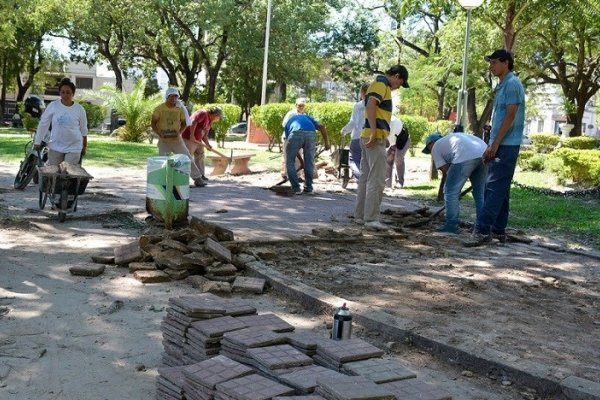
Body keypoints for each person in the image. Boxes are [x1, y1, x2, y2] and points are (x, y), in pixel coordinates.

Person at [464, 49, 525, 247]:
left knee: (493, 187)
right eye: (490, 63)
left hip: (506, 144)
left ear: (505, 62)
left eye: (494, 63)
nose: (491, 66)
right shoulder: (503, 85)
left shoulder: (512, 84)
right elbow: (501, 117)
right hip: (501, 142)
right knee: (501, 188)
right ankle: (498, 230)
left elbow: (510, 115)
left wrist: (496, 143)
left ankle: (482, 230)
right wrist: (492, 141)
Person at [354, 65, 409, 230]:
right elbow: (371, 105)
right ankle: (371, 219)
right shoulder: (381, 85)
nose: (398, 87)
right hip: (373, 136)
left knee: (365, 177)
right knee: (377, 179)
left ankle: (361, 216)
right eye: (400, 83)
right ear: (397, 76)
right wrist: (374, 132)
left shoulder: (378, 84)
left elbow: (375, 110)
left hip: (371, 135)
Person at [423, 132, 487, 234]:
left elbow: (447, 171)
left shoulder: (436, 147)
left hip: (464, 155)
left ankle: (451, 225)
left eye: (429, 148)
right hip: (484, 153)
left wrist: (455, 192)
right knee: (480, 193)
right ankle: (483, 226)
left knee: (450, 191)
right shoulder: (452, 139)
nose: (430, 151)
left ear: (431, 143)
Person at [151, 88, 206, 187]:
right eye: (172, 96)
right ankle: (164, 181)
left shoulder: (179, 108)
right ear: (167, 97)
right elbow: (153, 123)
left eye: (176, 96)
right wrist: (159, 133)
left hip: (177, 140)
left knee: (187, 158)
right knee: (163, 160)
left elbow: (185, 122)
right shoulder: (159, 108)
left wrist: (180, 132)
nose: (174, 99)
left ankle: (197, 178)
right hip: (164, 140)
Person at [34, 78, 88, 166]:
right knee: (53, 172)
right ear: (59, 93)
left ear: (73, 93)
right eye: (62, 92)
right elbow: (44, 124)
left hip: (74, 147)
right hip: (55, 145)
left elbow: (83, 129)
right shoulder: (53, 106)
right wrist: (37, 141)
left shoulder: (79, 109)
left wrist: (84, 146)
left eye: (68, 92)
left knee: (66, 172)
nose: (65, 95)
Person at [283, 113, 330, 195]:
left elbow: (290, 147)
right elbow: (321, 126)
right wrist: (326, 143)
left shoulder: (288, 123)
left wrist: (298, 159)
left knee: (290, 161)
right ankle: (308, 188)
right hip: (310, 135)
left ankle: (296, 188)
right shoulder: (308, 118)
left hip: (295, 134)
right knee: (309, 162)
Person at [181, 107, 223, 182]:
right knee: (188, 157)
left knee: (200, 155)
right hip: (188, 138)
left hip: (198, 140)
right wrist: (192, 135)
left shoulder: (210, 121)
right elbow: (194, 122)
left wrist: (208, 145)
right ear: (215, 114)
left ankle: (200, 175)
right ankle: (189, 178)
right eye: (218, 117)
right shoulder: (203, 113)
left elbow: (205, 135)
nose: (218, 119)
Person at [341, 84, 369, 182]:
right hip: (370, 137)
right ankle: (367, 180)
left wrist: (344, 130)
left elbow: (353, 122)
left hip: (357, 137)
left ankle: (360, 179)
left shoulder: (358, 106)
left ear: (362, 93)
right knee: (366, 161)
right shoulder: (376, 105)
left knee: (353, 159)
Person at [281, 98, 307, 178]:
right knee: (287, 156)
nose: (301, 107)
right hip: (289, 138)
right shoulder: (291, 114)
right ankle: (285, 174)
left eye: (302, 106)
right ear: (296, 105)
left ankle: (298, 175)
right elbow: (284, 124)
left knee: (298, 157)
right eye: (299, 105)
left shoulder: (304, 115)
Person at [385, 116, 410, 189]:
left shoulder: (392, 122)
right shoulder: (381, 121)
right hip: (393, 141)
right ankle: (387, 183)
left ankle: (400, 182)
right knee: (388, 160)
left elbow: (388, 142)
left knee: (398, 159)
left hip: (403, 141)